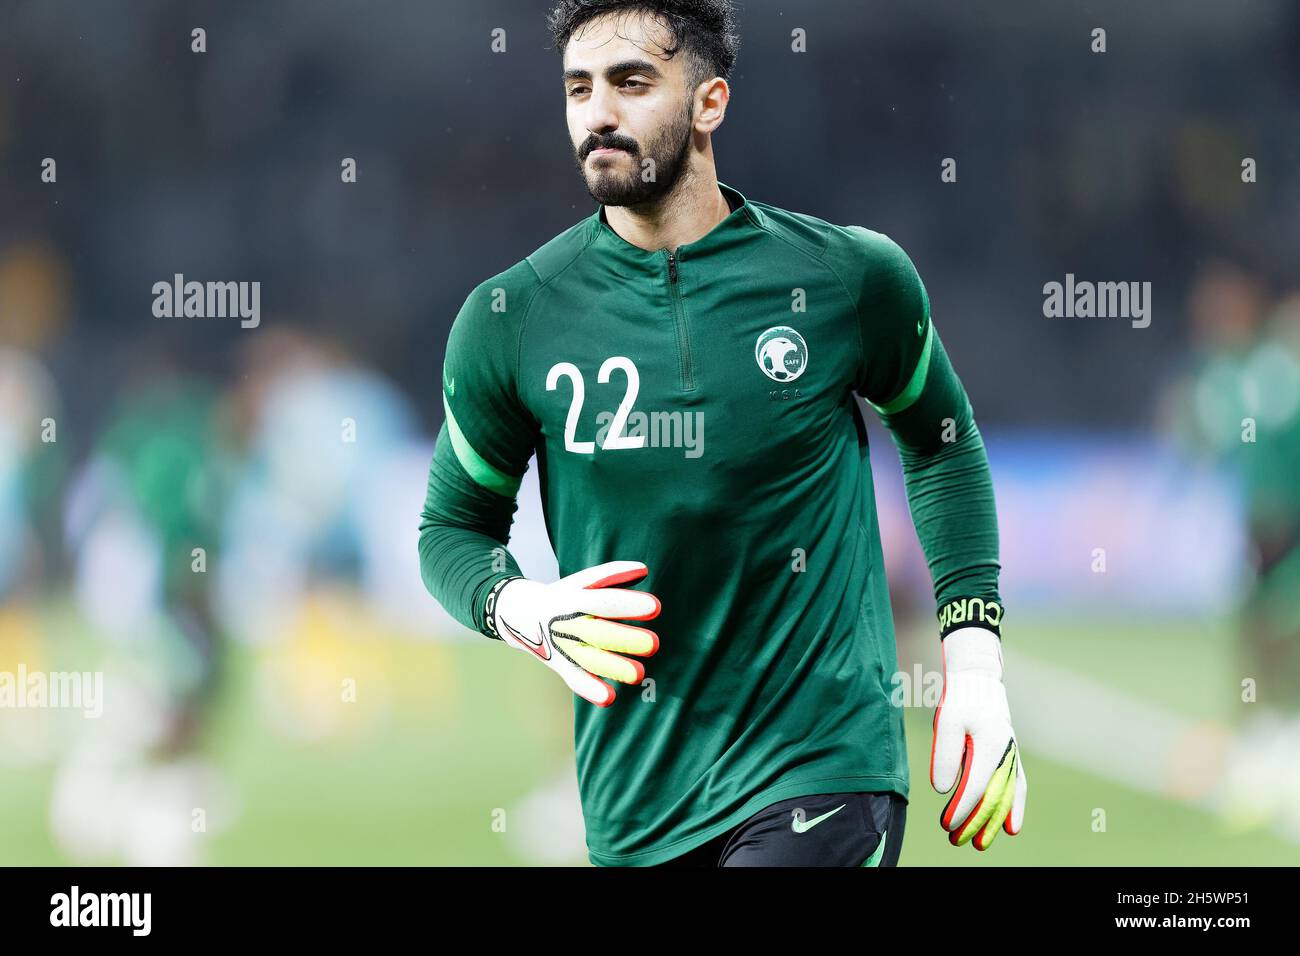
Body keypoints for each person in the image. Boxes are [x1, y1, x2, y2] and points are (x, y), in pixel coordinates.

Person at [418, 0, 1025, 866]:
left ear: (709, 103)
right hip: (635, 802)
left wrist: (973, 668)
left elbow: (941, 445)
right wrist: (525, 610)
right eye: (578, 88)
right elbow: (452, 530)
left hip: (821, 767)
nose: (599, 114)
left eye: (632, 84)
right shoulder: (511, 318)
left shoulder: (846, 279)